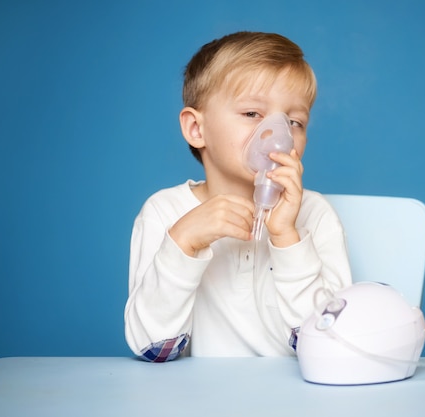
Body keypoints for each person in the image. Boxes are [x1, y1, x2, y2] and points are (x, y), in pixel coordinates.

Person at [124, 31, 352, 362]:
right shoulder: (165, 213)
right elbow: (153, 347)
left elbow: (335, 346)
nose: (278, 135)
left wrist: (288, 239)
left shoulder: (314, 215)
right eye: (252, 114)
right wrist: (183, 243)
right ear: (196, 129)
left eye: (294, 121)